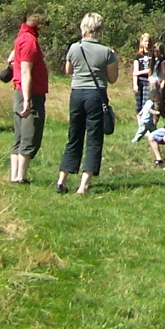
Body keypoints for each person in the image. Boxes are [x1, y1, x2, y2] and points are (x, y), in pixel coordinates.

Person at [56, 12, 121, 195]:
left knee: (74, 135)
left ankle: (62, 178)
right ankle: (83, 185)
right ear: (99, 29)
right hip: (96, 95)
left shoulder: (74, 48)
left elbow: (68, 70)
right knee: (93, 138)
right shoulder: (106, 52)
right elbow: (113, 78)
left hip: (76, 94)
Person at [9, 10, 49, 185]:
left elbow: (11, 59)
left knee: (20, 134)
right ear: (39, 25)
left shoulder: (21, 36)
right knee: (29, 133)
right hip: (30, 93)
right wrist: (27, 100)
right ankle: (20, 176)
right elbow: (26, 71)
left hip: (22, 91)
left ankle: (16, 175)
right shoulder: (29, 41)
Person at [131, 33, 155, 140]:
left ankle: (147, 127)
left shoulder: (152, 55)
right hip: (139, 82)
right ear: (141, 42)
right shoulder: (138, 56)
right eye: (145, 41)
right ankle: (140, 126)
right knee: (139, 106)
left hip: (148, 81)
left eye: (148, 41)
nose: (147, 43)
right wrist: (135, 83)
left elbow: (151, 70)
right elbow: (134, 72)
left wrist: (140, 72)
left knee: (147, 105)